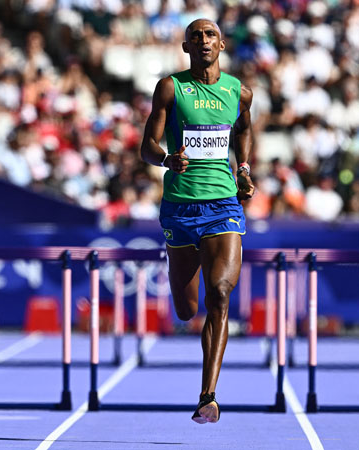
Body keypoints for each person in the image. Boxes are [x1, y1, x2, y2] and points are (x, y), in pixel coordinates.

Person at [140, 19, 255, 424]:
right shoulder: (171, 88)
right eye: (196, 36)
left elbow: (243, 129)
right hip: (180, 208)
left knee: (220, 294)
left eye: (210, 35)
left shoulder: (239, 91)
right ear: (186, 46)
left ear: (221, 44)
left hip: (223, 205)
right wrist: (166, 158)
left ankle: (208, 395)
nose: (203, 40)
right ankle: (178, 269)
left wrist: (242, 168)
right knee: (188, 309)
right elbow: (147, 147)